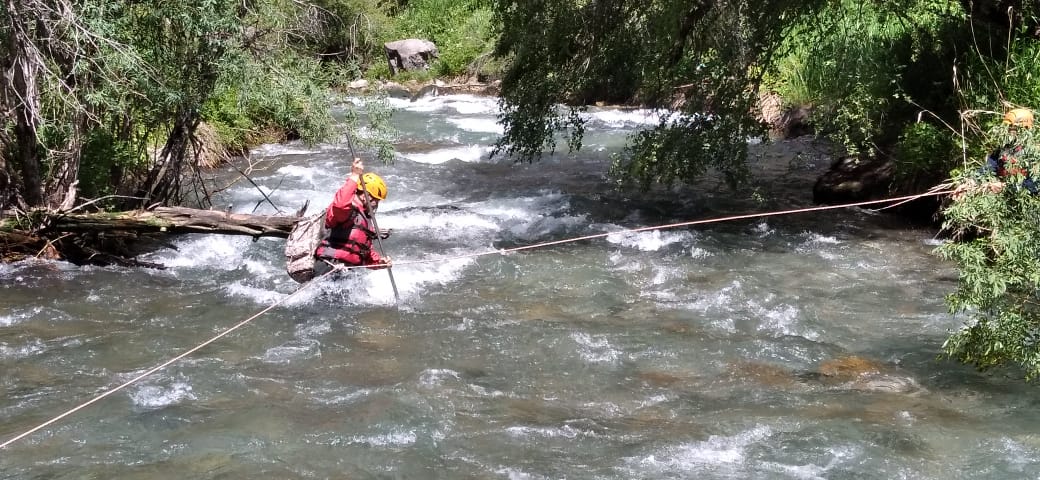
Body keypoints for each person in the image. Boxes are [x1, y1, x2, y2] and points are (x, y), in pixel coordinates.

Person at [314, 157, 392, 272]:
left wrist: (379, 263)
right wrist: (354, 176)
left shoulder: (365, 219)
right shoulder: (346, 210)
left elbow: (365, 253)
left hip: (348, 273)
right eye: (376, 199)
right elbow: (340, 205)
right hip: (329, 266)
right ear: (367, 195)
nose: (377, 204)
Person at [952, 107, 1037, 199]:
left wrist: (1005, 187)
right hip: (1007, 201)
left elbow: (1034, 186)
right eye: (1008, 128)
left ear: (1024, 129)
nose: (1007, 132)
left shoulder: (1035, 154)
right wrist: (970, 183)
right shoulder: (1002, 151)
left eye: (1012, 128)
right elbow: (988, 167)